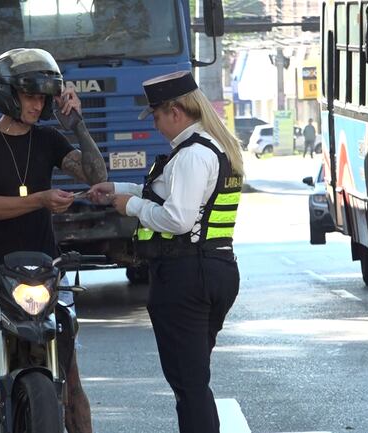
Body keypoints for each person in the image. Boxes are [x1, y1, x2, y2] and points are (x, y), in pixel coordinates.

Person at [0, 48, 107, 433]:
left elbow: (95, 175)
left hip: (43, 272)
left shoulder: (49, 140)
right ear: (7, 95)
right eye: (31, 95)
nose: (39, 103)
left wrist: (76, 125)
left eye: (44, 97)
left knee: (72, 376)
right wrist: (40, 199)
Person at [88, 71, 242, 433]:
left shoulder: (191, 156)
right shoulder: (214, 148)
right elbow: (166, 194)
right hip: (216, 269)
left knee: (188, 385)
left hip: (186, 276)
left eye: (156, 116)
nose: (155, 124)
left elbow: (176, 217)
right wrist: (116, 189)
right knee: (194, 380)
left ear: (176, 111)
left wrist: (131, 208)